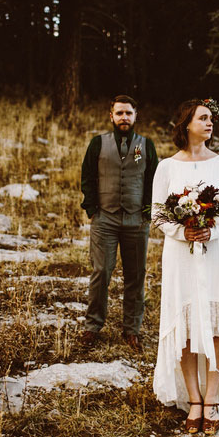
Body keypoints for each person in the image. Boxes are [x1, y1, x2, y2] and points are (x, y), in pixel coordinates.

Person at [151, 99, 219, 434]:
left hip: (215, 253)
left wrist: (211, 231)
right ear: (185, 124)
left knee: (215, 324)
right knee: (183, 324)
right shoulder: (166, 167)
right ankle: (194, 399)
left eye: (211, 118)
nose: (210, 123)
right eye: (203, 118)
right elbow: (156, 213)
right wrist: (183, 230)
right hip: (180, 255)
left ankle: (212, 399)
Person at [80, 95, 158, 352]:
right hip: (106, 218)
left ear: (136, 116)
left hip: (137, 220)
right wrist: (92, 209)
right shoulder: (98, 143)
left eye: (128, 113)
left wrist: (147, 212)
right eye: (119, 113)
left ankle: (131, 329)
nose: (124, 117)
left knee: (136, 276)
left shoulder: (145, 146)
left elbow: (152, 180)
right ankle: (93, 327)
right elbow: (88, 176)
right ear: (111, 116)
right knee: (101, 272)